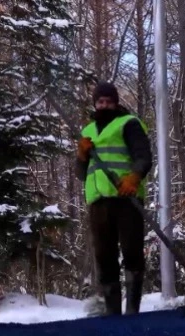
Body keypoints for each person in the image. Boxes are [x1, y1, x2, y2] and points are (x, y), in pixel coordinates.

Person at [75, 81, 152, 315]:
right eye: (100, 101)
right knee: (104, 255)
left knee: (131, 251)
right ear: (95, 103)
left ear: (116, 103)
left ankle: (132, 310)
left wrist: (134, 177)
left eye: (108, 101)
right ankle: (112, 312)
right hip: (98, 201)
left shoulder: (128, 124)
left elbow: (143, 155)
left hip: (126, 197)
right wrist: (81, 155)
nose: (104, 105)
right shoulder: (87, 132)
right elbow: (81, 173)